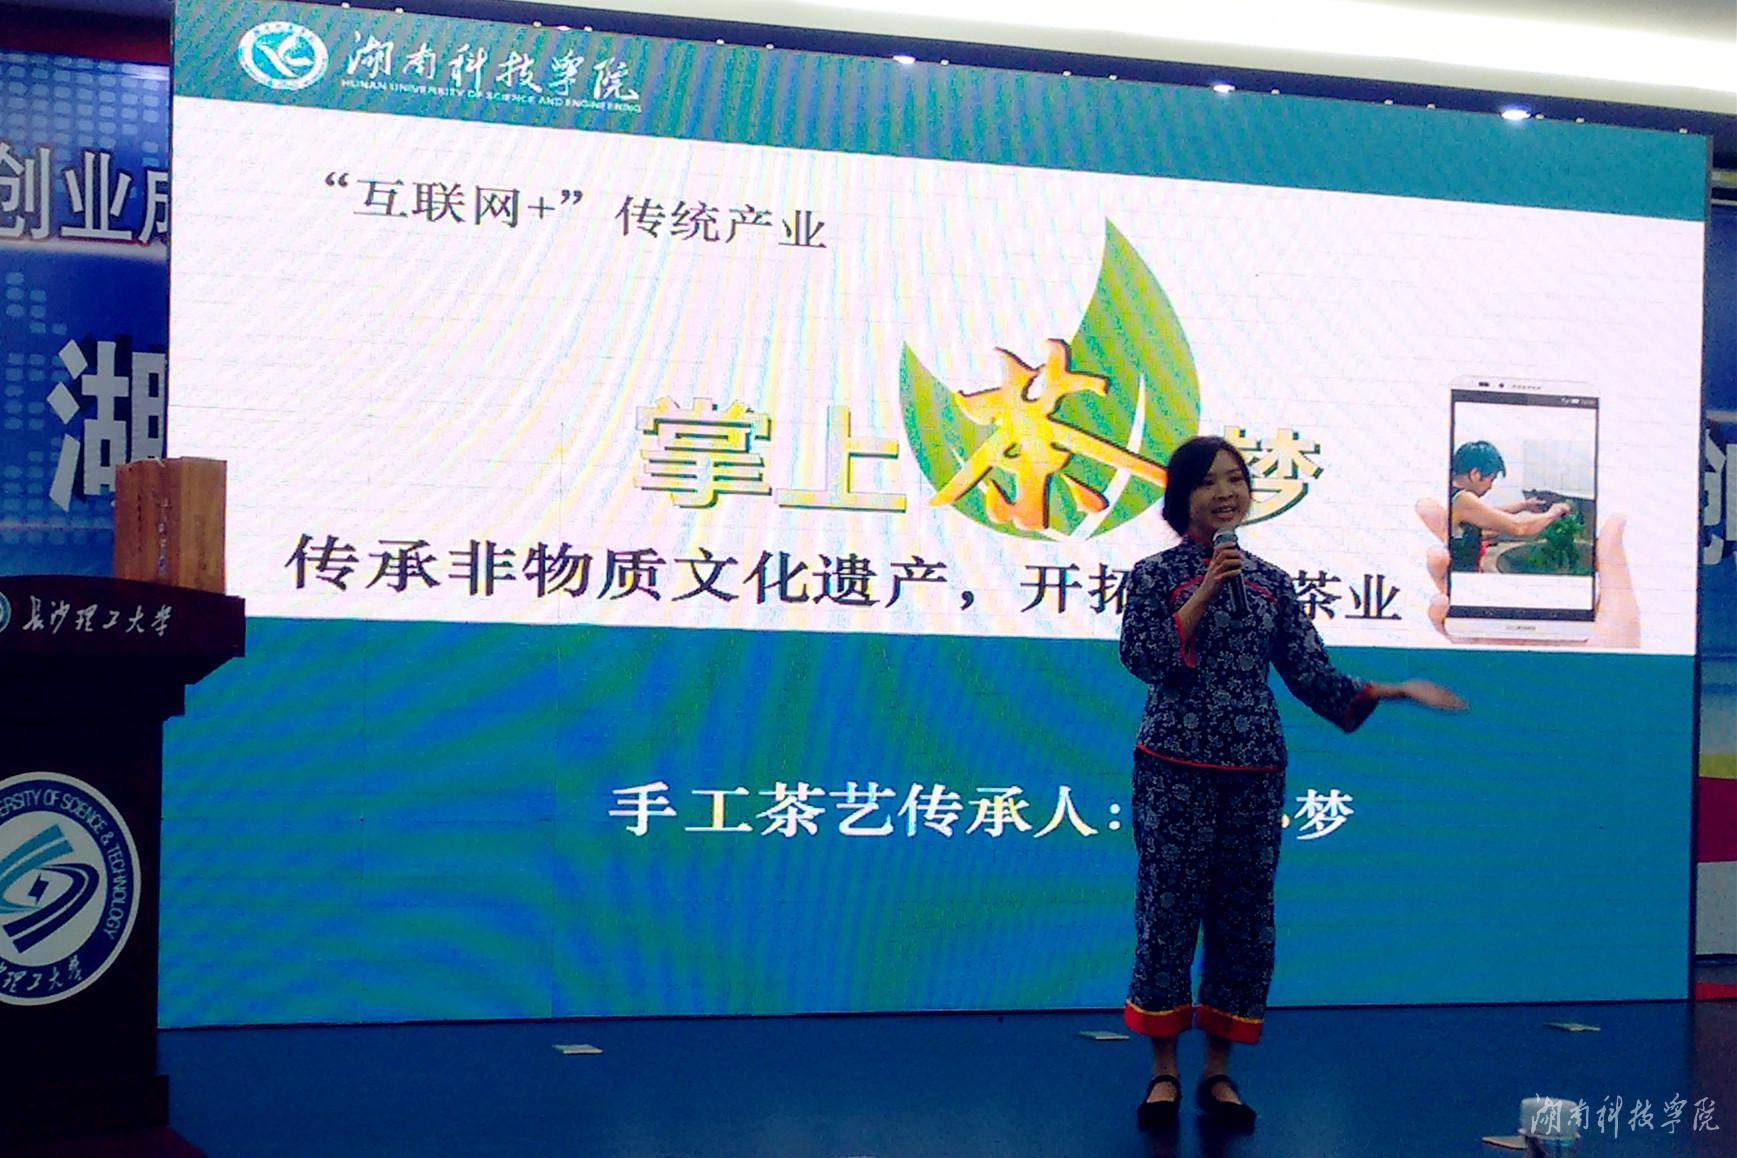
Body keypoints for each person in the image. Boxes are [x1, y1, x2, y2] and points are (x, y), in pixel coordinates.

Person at [1118, 435, 1465, 1133]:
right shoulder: (1155, 574)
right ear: (1182, 497)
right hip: (1174, 767)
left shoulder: (1272, 583)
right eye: (1208, 482)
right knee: (1168, 915)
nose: (1226, 493)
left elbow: (1310, 673)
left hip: (1254, 771)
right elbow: (1146, 656)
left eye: (1236, 479)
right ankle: (1164, 1072)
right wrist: (1205, 589)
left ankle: (1218, 1072)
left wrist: (1392, 690)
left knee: (1243, 921)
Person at [1446, 440, 1570, 572]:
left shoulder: (1450, 493)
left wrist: (1523, 506)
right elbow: (1519, 527)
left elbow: (1487, 514)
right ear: (1475, 474)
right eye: (1491, 479)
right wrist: (1553, 513)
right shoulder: (1461, 499)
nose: (1490, 487)